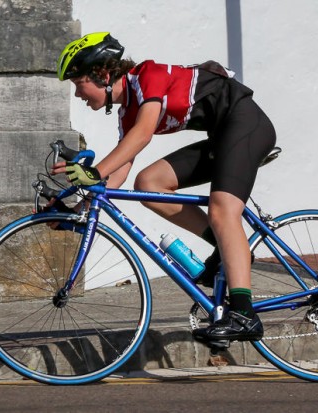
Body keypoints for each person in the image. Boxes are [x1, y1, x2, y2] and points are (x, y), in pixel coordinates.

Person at [51, 32, 276, 342]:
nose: (78, 94)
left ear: (102, 74)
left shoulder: (148, 75)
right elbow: (117, 174)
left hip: (247, 126)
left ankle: (244, 315)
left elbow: (143, 134)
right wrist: (75, 211)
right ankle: (228, 247)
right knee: (149, 183)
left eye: (79, 84)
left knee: (222, 210)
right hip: (223, 138)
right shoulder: (127, 111)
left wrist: (94, 171)